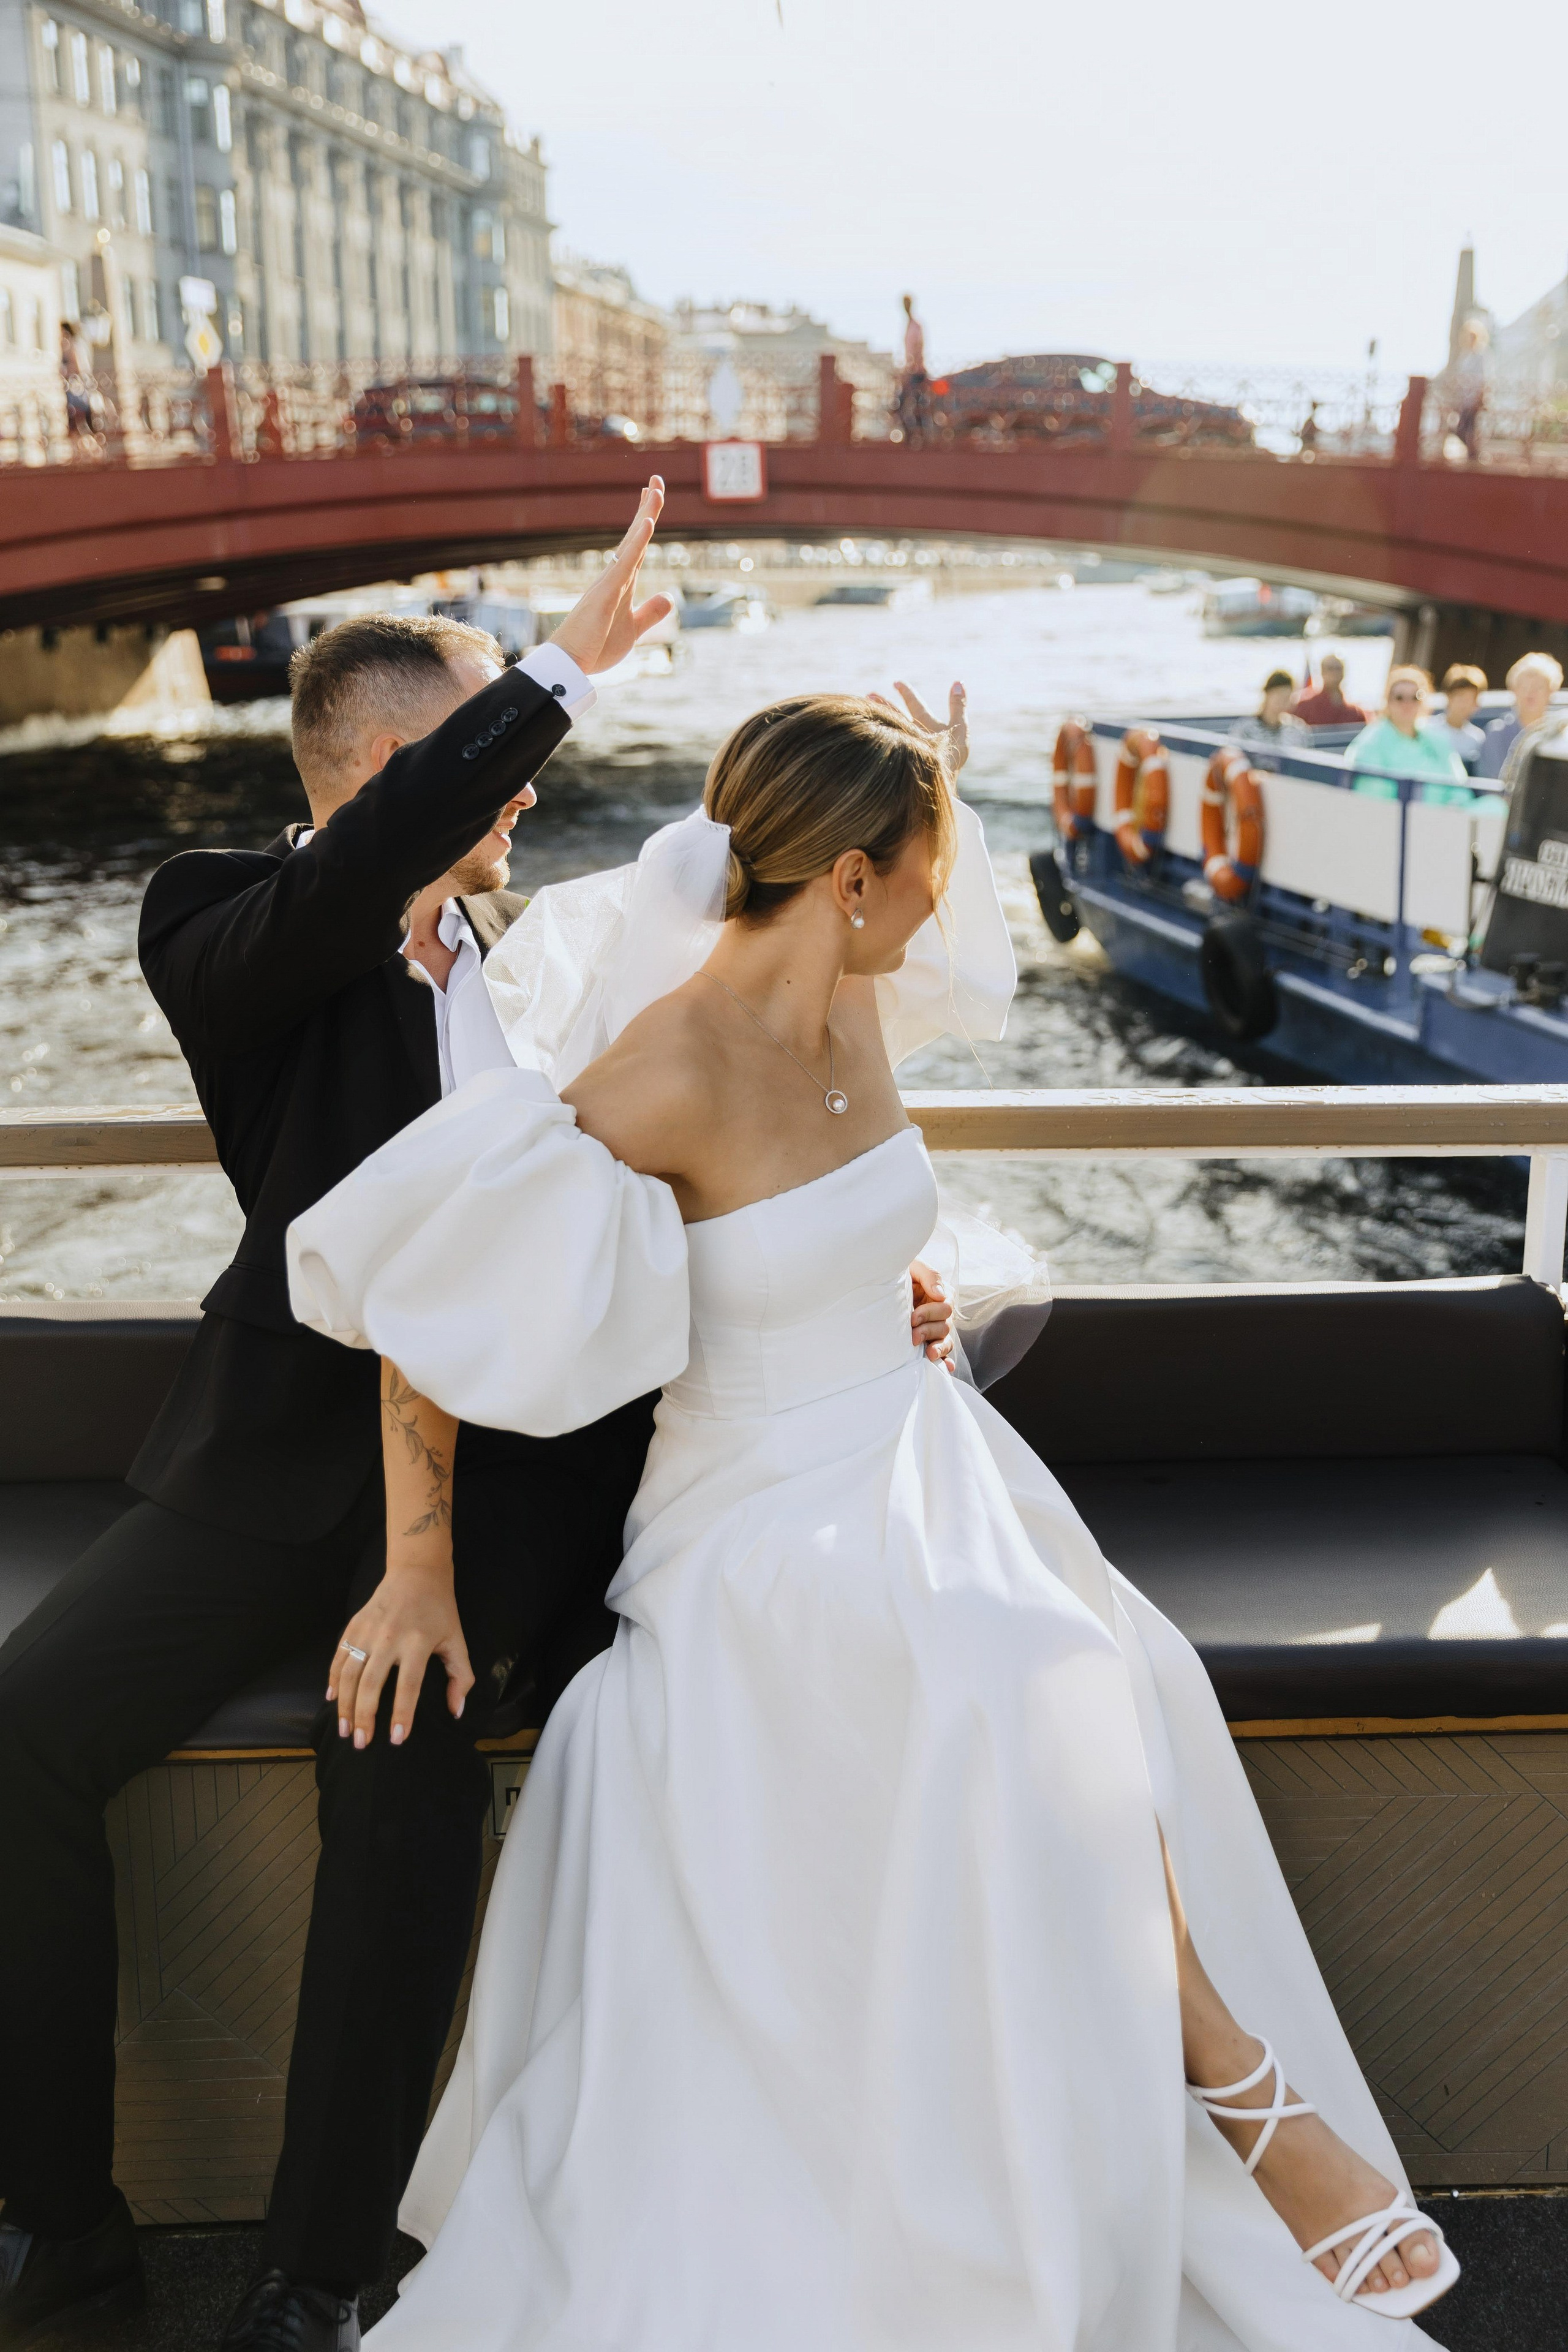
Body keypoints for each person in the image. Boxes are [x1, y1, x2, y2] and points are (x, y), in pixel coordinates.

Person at [285, 685, 1461, 2347]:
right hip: (751, 1508)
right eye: (929, 862)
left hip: (913, 1448)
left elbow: (840, 1213)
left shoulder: (857, 1000)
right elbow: (428, 1312)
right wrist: (418, 1571)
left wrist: (899, 1281)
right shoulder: (663, 1065)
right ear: (847, 878)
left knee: (1104, 1659)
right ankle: (1248, 2100)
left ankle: (1173, 2114)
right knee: (1010, 1668)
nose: (944, 898)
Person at [0, 486, 718, 2352]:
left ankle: (319, 2270)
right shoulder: (216, 920)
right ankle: (61, 2229)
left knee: (399, 1786)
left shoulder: (530, 957)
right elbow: (348, 878)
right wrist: (559, 661)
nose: (532, 789)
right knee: (14, 1738)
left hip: (500, 1483)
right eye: (495, 746)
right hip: (260, 1461)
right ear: (399, 757)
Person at [1345, 666, 1471, 803]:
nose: (1408, 704)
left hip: (1445, 818)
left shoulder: (1437, 740)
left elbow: (1460, 787)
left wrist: (1451, 812)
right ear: (1388, 701)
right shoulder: (1371, 743)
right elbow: (1374, 799)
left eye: (1416, 697)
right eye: (1400, 697)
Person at [1476, 650, 1563, 783]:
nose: (1531, 693)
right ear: (1514, 691)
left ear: (1551, 692)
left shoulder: (1559, 736)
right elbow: (1492, 787)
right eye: (1524, 686)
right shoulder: (1497, 733)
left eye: (1539, 687)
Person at [1423, 663, 1487, 773]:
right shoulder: (1428, 729)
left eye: (1470, 699)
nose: (1464, 705)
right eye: (1460, 697)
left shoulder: (1478, 739)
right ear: (1449, 697)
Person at [1231, 669, 1311, 753]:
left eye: (1287, 697)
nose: (1282, 701)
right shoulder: (1246, 728)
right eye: (1279, 695)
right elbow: (1233, 756)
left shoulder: (1298, 730)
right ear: (1267, 694)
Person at [1289, 654, 1367, 729]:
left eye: (1338, 668)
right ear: (1322, 672)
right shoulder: (1305, 708)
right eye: (1330, 668)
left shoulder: (1356, 714)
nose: (1335, 673)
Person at [1449, 318, 1490, 462]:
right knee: (1462, 428)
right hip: (1464, 399)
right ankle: (1473, 453)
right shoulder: (1465, 357)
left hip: (1472, 399)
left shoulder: (1479, 356)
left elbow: (1481, 379)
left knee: (1468, 427)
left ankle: (1474, 454)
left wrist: (1478, 397)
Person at [895, 292, 929, 439]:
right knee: (902, 405)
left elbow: (918, 348)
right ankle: (912, 437)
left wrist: (911, 368)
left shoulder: (916, 326)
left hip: (916, 372)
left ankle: (919, 438)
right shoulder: (909, 325)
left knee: (916, 406)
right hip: (910, 371)